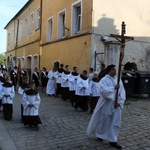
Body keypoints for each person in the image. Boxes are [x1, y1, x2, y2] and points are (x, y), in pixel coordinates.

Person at [86, 64, 126, 149]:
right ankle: (100, 134)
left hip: (116, 105)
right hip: (106, 104)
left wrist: (120, 102)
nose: (115, 71)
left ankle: (113, 140)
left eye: (115, 69)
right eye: (113, 70)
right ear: (108, 71)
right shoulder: (104, 80)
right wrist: (113, 88)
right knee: (104, 120)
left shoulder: (118, 80)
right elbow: (102, 91)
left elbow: (122, 91)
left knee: (115, 122)